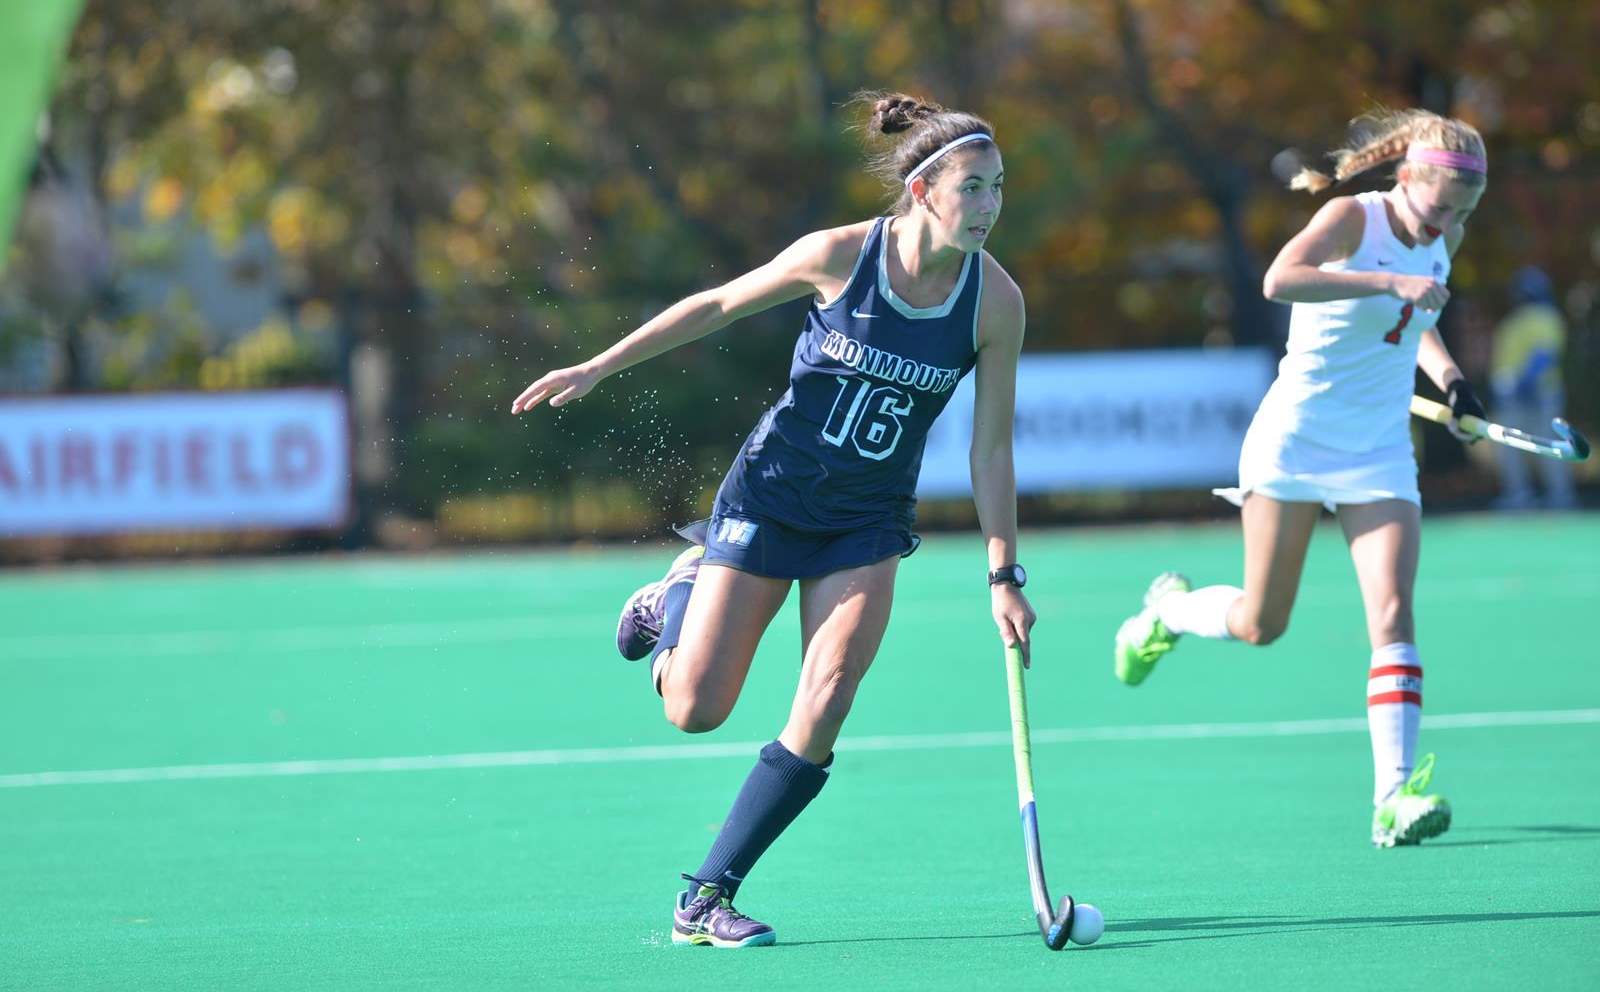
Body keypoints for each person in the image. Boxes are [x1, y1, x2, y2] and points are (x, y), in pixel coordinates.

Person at [510, 93, 1036, 946]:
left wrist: (1002, 573)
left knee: (829, 697)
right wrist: (599, 366)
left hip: (866, 520)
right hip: (771, 496)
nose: (989, 206)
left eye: (998, 187)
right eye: (972, 188)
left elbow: (991, 450)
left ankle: (706, 894)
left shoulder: (995, 303)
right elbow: (719, 304)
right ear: (923, 193)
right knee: (695, 709)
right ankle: (673, 599)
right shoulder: (840, 256)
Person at [1111, 108, 1490, 848]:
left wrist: (1452, 382)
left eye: (1463, 214)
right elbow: (1279, 280)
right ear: (1405, 176)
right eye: (1441, 206)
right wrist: (1389, 280)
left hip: (1380, 447)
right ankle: (1169, 615)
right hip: (1296, 438)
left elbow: (1416, 319)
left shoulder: (1445, 236)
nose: (1447, 224)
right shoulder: (1353, 219)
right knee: (1263, 623)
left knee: (1393, 615)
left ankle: (1393, 798)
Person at [1490, 265, 1578, 510]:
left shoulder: (1545, 316)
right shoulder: (1515, 320)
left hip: (1539, 392)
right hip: (1512, 394)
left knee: (1550, 445)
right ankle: (1519, 495)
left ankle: (1560, 496)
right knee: (1509, 446)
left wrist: (1523, 383)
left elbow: (1544, 354)